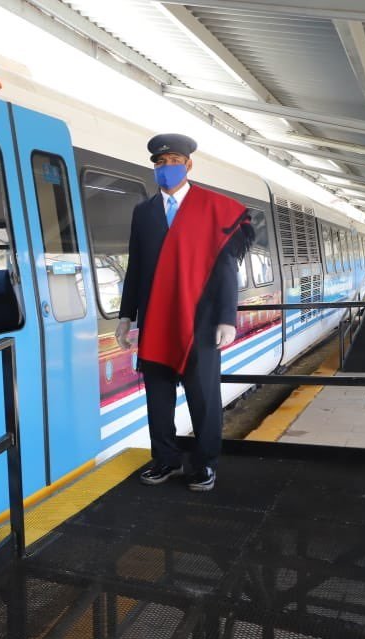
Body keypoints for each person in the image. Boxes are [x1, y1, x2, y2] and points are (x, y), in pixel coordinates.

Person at [115, 133, 253, 492]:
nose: (166, 168)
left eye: (173, 161)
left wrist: (227, 317)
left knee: (203, 397)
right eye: (159, 163)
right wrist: (125, 315)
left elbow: (226, 268)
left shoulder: (213, 208)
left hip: (202, 321)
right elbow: (136, 266)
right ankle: (165, 459)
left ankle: (205, 464)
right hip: (156, 319)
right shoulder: (143, 213)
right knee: (157, 397)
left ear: (189, 164)